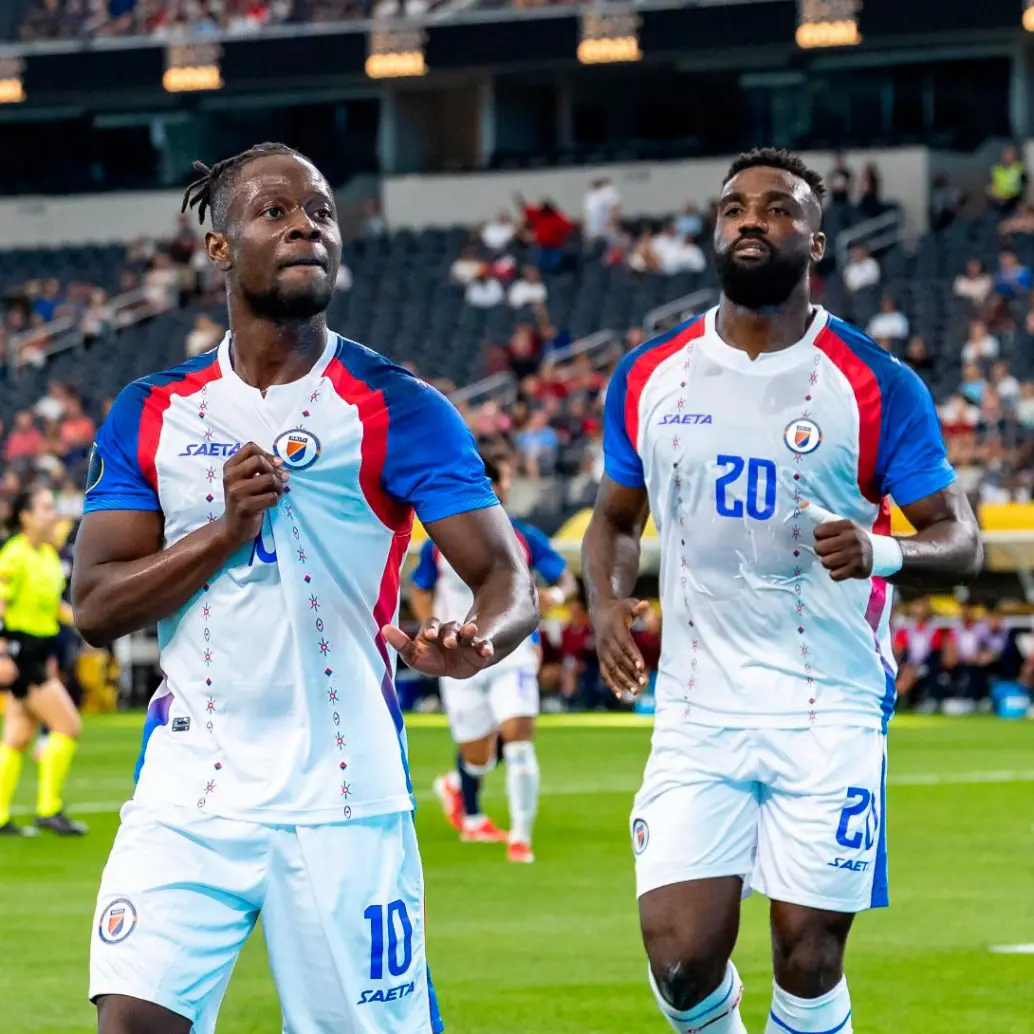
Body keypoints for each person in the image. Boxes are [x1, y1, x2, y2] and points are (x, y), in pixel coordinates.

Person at [73, 142, 539, 1034]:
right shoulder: (153, 410)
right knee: (133, 1023)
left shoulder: (398, 406)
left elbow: (506, 579)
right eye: (276, 211)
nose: (305, 228)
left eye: (320, 212)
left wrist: (479, 637)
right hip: (190, 789)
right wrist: (223, 532)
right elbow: (95, 608)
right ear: (219, 248)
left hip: (345, 794)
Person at [581, 147, 983, 1034]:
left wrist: (884, 553)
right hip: (698, 710)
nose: (751, 219)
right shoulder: (650, 376)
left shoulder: (876, 384)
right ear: (715, 231)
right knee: (683, 964)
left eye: (776, 208)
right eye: (734, 208)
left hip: (829, 706)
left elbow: (961, 542)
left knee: (807, 957)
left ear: (817, 239)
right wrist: (606, 605)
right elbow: (613, 520)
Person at [412, 451, 575, 862]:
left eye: (500, 480)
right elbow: (419, 587)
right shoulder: (439, 543)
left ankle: (521, 837)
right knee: (478, 757)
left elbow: (565, 579)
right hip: (457, 659)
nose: (497, 487)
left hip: (511, 651)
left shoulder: (523, 536)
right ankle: (458, 784)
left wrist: (552, 596)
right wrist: (431, 625)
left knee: (519, 740)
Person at [0, 486, 86, 837]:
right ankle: (48, 809)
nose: (53, 513)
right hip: (20, 654)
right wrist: (2, 653)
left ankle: (2, 816)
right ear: (26, 516)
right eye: (46, 507)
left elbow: (53, 608)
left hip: (38, 650)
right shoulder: (13, 555)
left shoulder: (48, 557)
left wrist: (86, 620)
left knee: (17, 737)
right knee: (68, 725)